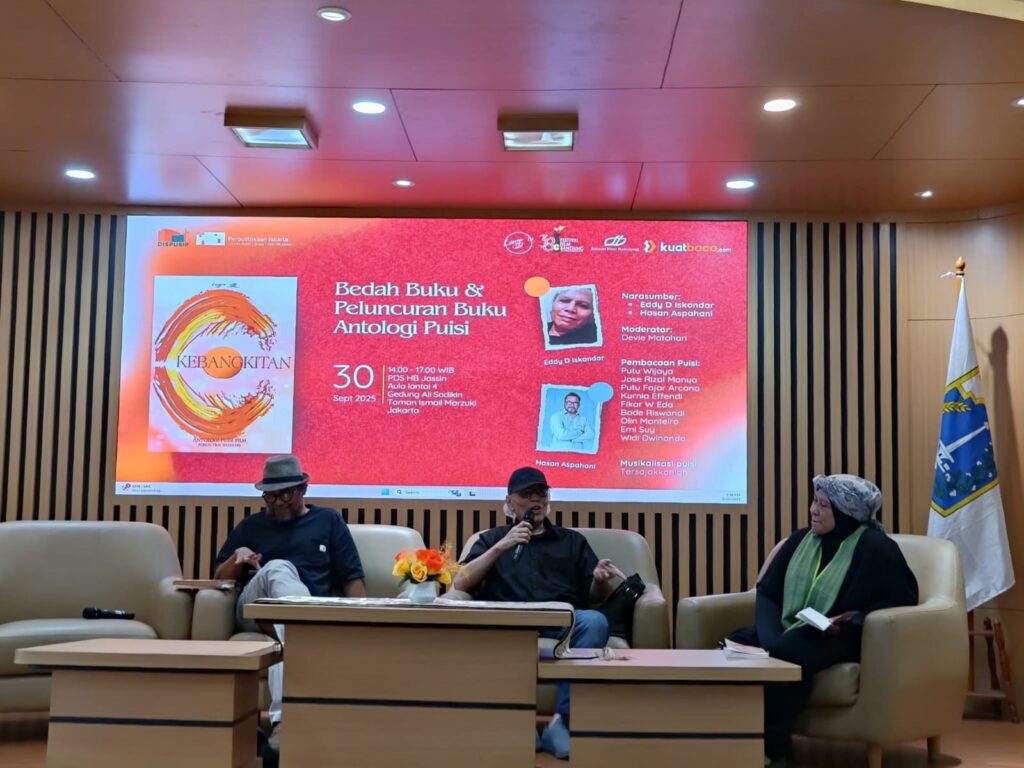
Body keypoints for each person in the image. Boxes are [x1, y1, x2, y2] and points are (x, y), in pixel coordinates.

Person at [727, 474, 919, 766]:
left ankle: (774, 749)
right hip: (789, 631)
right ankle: (724, 736)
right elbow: (767, 593)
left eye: (823, 505)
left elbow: (903, 599)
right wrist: (770, 640)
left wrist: (855, 619)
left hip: (843, 635)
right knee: (734, 645)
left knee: (790, 650)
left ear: (845, 512)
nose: (813, 510)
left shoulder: (875, 547)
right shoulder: (800, 540)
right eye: (814, 502)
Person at [452, 467, 624, 759]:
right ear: (509, 502)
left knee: (595, 621)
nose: (536, 501)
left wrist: (599, 580)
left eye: (541, 493)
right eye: (527, 494)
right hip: (511, 623)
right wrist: (501, 546)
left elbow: (594, 597)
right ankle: (515, 722)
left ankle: (561, 722)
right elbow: (460, 582)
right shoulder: (491, 539)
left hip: (563, 621)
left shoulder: (571, 541)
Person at [213, 454, 367, 731]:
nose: (277, 503)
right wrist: (237, 557)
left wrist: (363, 626)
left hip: (302, 616)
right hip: (256, 609)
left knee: (288, 641)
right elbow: (218, 580)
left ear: (303, 489)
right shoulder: (251, 526)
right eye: (270, 496)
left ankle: (283, 725)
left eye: (285, 494)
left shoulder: (328, 521)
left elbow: (351, 579)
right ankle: (302, 628)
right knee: (277, 568)